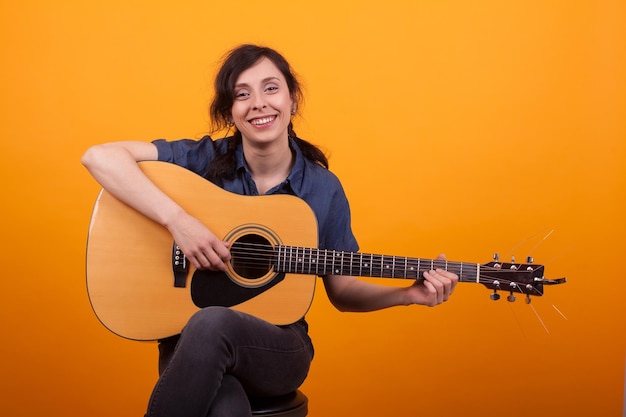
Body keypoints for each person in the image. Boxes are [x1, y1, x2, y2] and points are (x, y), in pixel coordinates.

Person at [81, 44, 458, 417]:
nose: (258, 102)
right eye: (242, 94)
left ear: (293, 101)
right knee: (225, 407)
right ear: (231, 111)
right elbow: (99, 157)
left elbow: (341, 292)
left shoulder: (322, 188)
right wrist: (180, 222)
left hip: (278, 346)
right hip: (189, 341)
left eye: (271, 88)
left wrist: (408, 294)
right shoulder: (203, 159)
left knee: (212, 320)